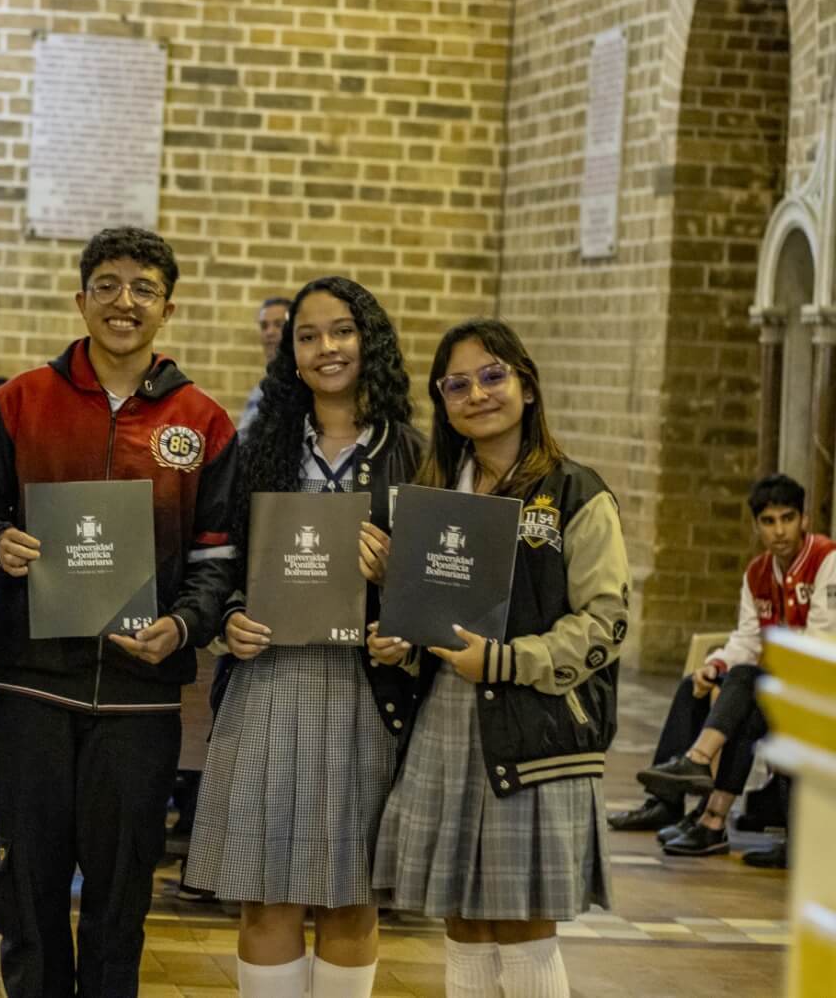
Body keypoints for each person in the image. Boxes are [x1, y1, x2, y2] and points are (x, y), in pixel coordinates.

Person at [0, 226, 239, 997]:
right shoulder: (16, 403)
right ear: (81, 297)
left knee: (120, 904)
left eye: (144, 289)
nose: (126, 302)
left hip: (140, 696)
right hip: (31, 687)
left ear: (168, 307)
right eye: (110, 285)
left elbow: (216, 559)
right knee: (27, 894)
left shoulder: (204, 421)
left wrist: (185, 625)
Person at [369, 317, 629, 998]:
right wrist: (399, 643)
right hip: (448, 724)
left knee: (520, 928)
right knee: (462, 925)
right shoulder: (434, 497)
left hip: (532, 729)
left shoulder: (577, 492)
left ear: (527, 385)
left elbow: (606, 624)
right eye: (457, 384)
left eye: (493, 375)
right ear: (442, 399)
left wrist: (508, 662)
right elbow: (428, 624)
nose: (477, 394)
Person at [185, 277, 422, 997]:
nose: (327, 348)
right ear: (290, 354)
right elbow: (217, 560)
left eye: (342, 331)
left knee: (352, 892)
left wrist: (402, 611)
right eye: (309, 336)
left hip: (366, 689)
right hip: (269, 680)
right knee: (265, 889)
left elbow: (447, 583)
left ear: (369, 340)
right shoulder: (257, 448)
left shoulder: (413, 453)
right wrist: (229, 620)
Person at [617, 474, 833, 859]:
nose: (779, 530)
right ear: (756, 526)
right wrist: (714, 667)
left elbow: (820, 639)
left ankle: (704, 789)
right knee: (699, 684)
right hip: (781, 685)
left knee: (747, 681)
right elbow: (747, 638)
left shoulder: (826, 560)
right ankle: (673, 804)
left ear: (804, 521)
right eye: (768, 521)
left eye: (787, 518)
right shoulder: (757, 573)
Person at [237, 297, 290, 435]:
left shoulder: (306, 384)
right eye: (264, 326)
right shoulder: (260, 390)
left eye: (279, 325)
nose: (270, 332)